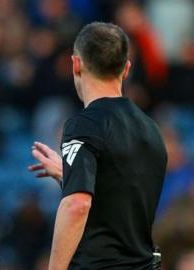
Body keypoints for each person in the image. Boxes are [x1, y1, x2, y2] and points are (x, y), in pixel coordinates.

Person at [29, 22, 167, 269]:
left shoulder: (84, 125)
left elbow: (77, 205)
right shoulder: (152, 129)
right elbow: (121, 195)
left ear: (76, 64)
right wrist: (70, 176)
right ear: (126, 69)